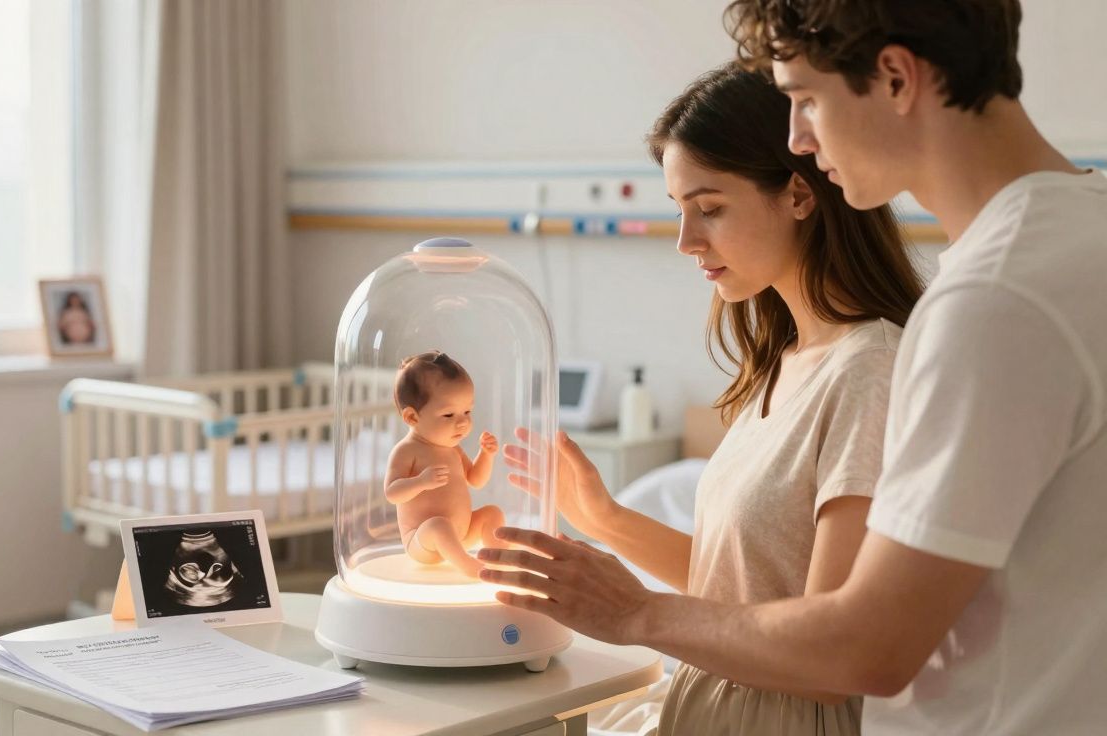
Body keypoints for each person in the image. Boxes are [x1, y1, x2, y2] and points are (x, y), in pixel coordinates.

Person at [482, 2, 1107, 734]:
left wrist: (637, 612)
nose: (798, 136)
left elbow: (863, 646)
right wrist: (607, 522)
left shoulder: (990, 301)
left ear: (897, 77)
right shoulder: (1071, 236)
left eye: (806, 100)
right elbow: (769, 582)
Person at [494, 62, 922, 734]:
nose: (686, 241)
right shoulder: (783, 364)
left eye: (711, 208)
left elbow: (831, 652)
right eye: (680, 211)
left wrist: (637, 612)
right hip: (716, 703)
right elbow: (743, 587)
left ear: (799, 195)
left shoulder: (869, 371)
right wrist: (603, 517)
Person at [385, 351, 504, 578]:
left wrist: (486, 455)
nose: (463, 422)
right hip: (423, 541)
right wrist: (420, 482)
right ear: (412, 417)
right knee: (438, 525)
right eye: (449, 415)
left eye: (467, 411)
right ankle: (469, 566)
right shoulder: (406, 451)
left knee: (492, 513)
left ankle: (497, 560)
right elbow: (392, 493)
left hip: (461, 534)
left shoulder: (453, 449)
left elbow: (476, 480)